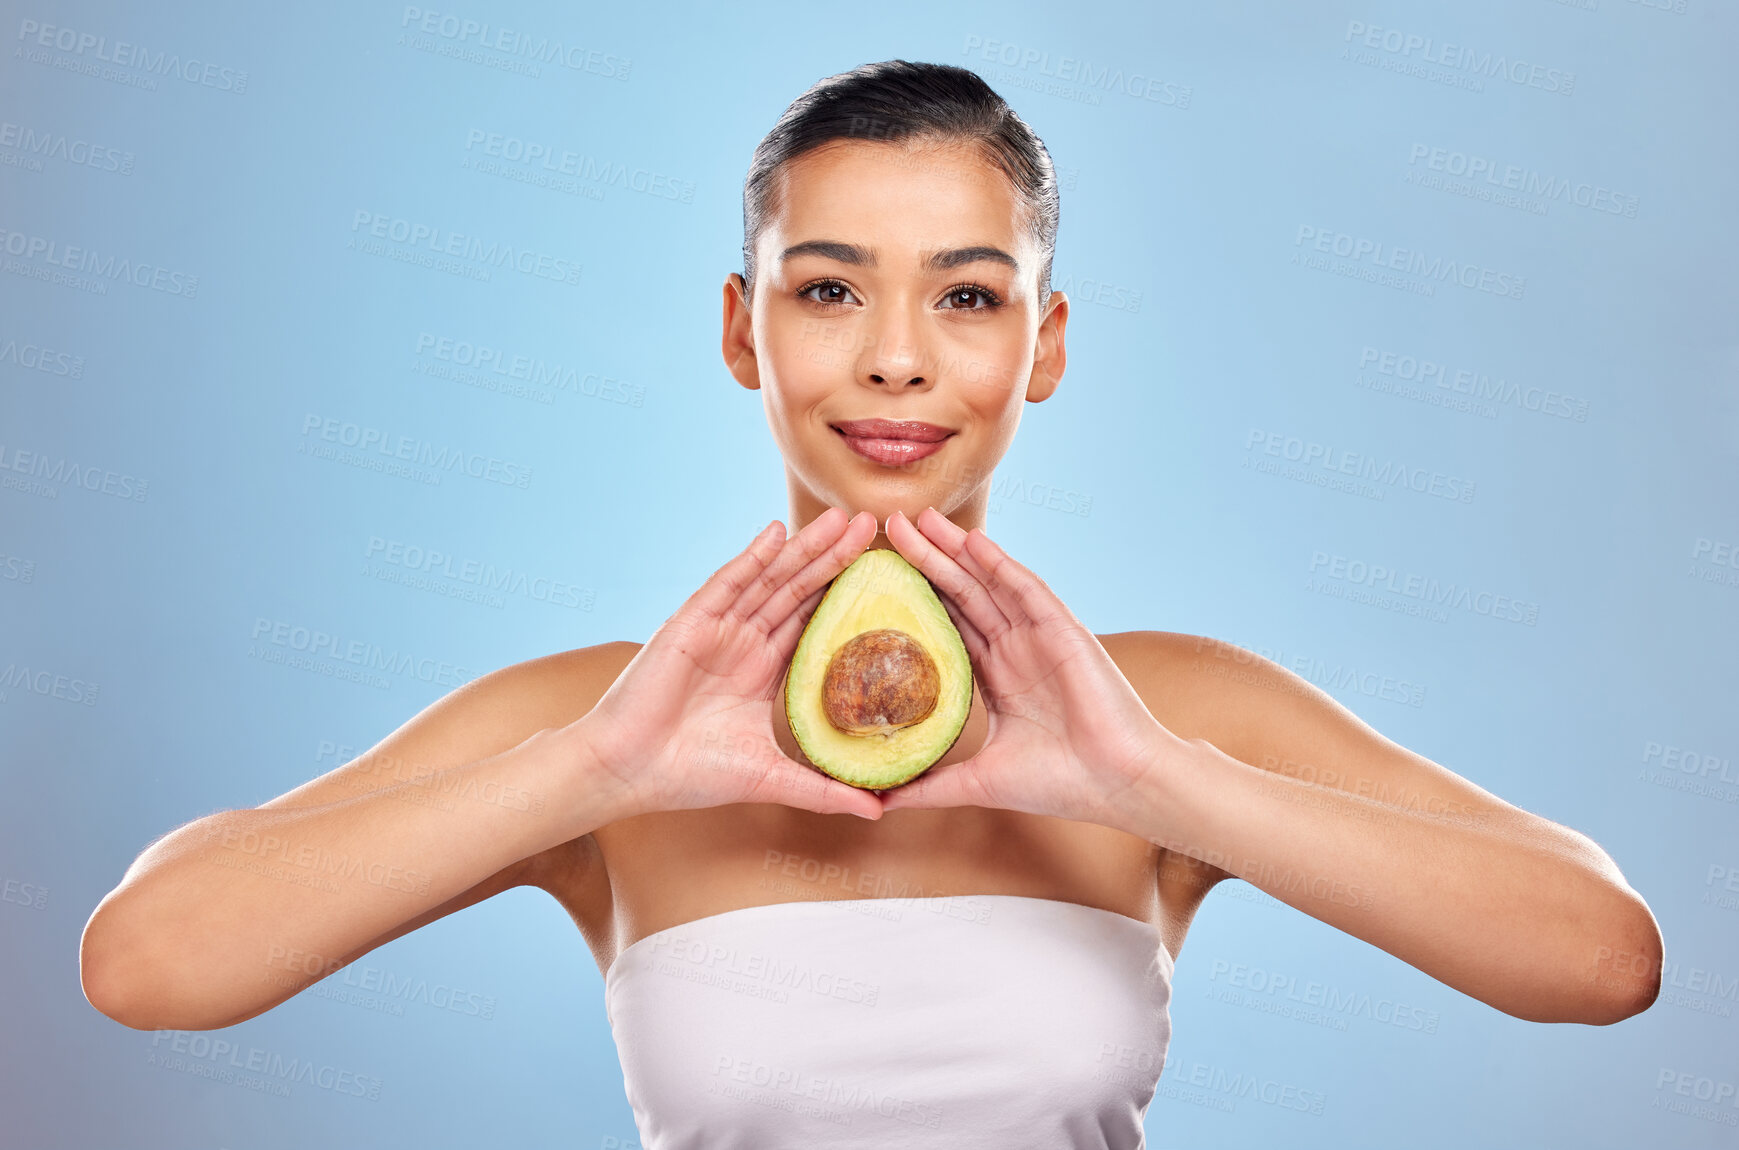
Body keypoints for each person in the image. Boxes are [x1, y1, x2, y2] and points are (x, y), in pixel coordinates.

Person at [78, 60, 1662, 1148]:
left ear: (1042, 346)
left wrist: (1152, 781)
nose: (896, 356)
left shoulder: (1165, 713)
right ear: (741, 329)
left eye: (968, 295)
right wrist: (593, 774)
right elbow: (149, 962)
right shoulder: (604, 731)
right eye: (829, 287)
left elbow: (1600, 957)